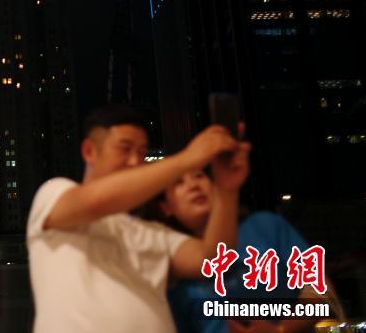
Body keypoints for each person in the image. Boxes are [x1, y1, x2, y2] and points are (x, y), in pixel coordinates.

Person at [27, 105, 251, 333]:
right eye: (124, 149)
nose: (135, 161)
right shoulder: (54, 193)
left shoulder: (153, 232)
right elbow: (95, 201)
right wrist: (189, 159)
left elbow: (211, 261)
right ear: (89, 151)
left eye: (142, 153)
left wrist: (226, 190)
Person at [156, 169, 344, 333]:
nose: (193, 185)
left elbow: (321, 293)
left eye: (199, 176)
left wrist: (280, 329)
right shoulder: (172, 264)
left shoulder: (265, 226)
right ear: (166, 207)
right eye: (178, 182)